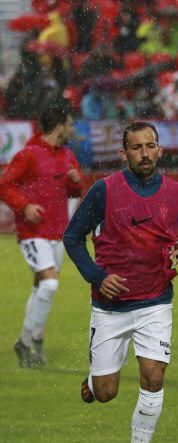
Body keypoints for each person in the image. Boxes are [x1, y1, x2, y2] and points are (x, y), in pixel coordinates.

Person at [63, 121, 178, 443]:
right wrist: (97, 276)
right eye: (136, 148)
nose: (145, 153)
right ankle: (94, 380)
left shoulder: (176, 191)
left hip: (155, 302)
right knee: (106, 393)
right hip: (111, 306)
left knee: (153, 376)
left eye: (150, 146)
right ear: (124, 154)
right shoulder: (104, 191)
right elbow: (72, 238)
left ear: (160, 150)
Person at [0, 104, 82, 367]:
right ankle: (25, 342)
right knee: (49, 284)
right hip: (33, 232)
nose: (72, 128)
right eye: (69, 123)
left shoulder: (67, 155)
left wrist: (74, 181)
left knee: (41, 288)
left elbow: (73, 192)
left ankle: (33, 340)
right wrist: (24, 205)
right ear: (58, 125)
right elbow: (4, 184)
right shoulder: (29, 155)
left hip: (58, 232)